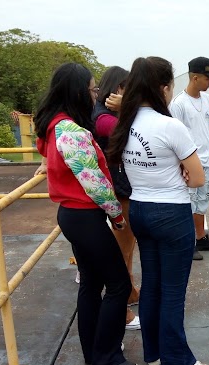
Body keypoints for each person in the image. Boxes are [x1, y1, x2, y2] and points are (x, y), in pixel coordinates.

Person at [107, 56, 209, 365]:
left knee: (152, 284)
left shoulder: (125, 124)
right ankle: (179, 363)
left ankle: (154, 352)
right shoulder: (169, 126)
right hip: (171, 213)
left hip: (139, 210)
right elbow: (197, 178)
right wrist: (179, 171)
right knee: (173, 291)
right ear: (164, 88)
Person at [35, 63, 138, 365]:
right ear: (78, 91)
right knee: (119, 284)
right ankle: (106, 356)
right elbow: (92, 180)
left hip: (73, 215)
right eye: (93, 88)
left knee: (91, 283)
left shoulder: (53, 126)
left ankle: (93, 349)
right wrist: (117, 215)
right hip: (84, 215)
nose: (96, 93)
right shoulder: (70, 130)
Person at [93, 66, 141, 331]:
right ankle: (121, 308)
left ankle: (131, 291)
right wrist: (129, 108)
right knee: (121, 251)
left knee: (127, 247)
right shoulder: (104, 119)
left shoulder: (106, 115)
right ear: (117, 89)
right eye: (127, 88)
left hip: (120, 188)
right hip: (118, 190)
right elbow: (133, 134)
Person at [170, 57, 209, 261]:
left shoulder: (207, 100)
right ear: (195, 78)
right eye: (207, 78)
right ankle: (188, 241)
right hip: (190, 163)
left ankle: (201, 237)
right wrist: (183, 164)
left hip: (207, 161)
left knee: (203, 201)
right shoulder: (178, 104)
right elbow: (175, 136)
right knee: (189, 203)